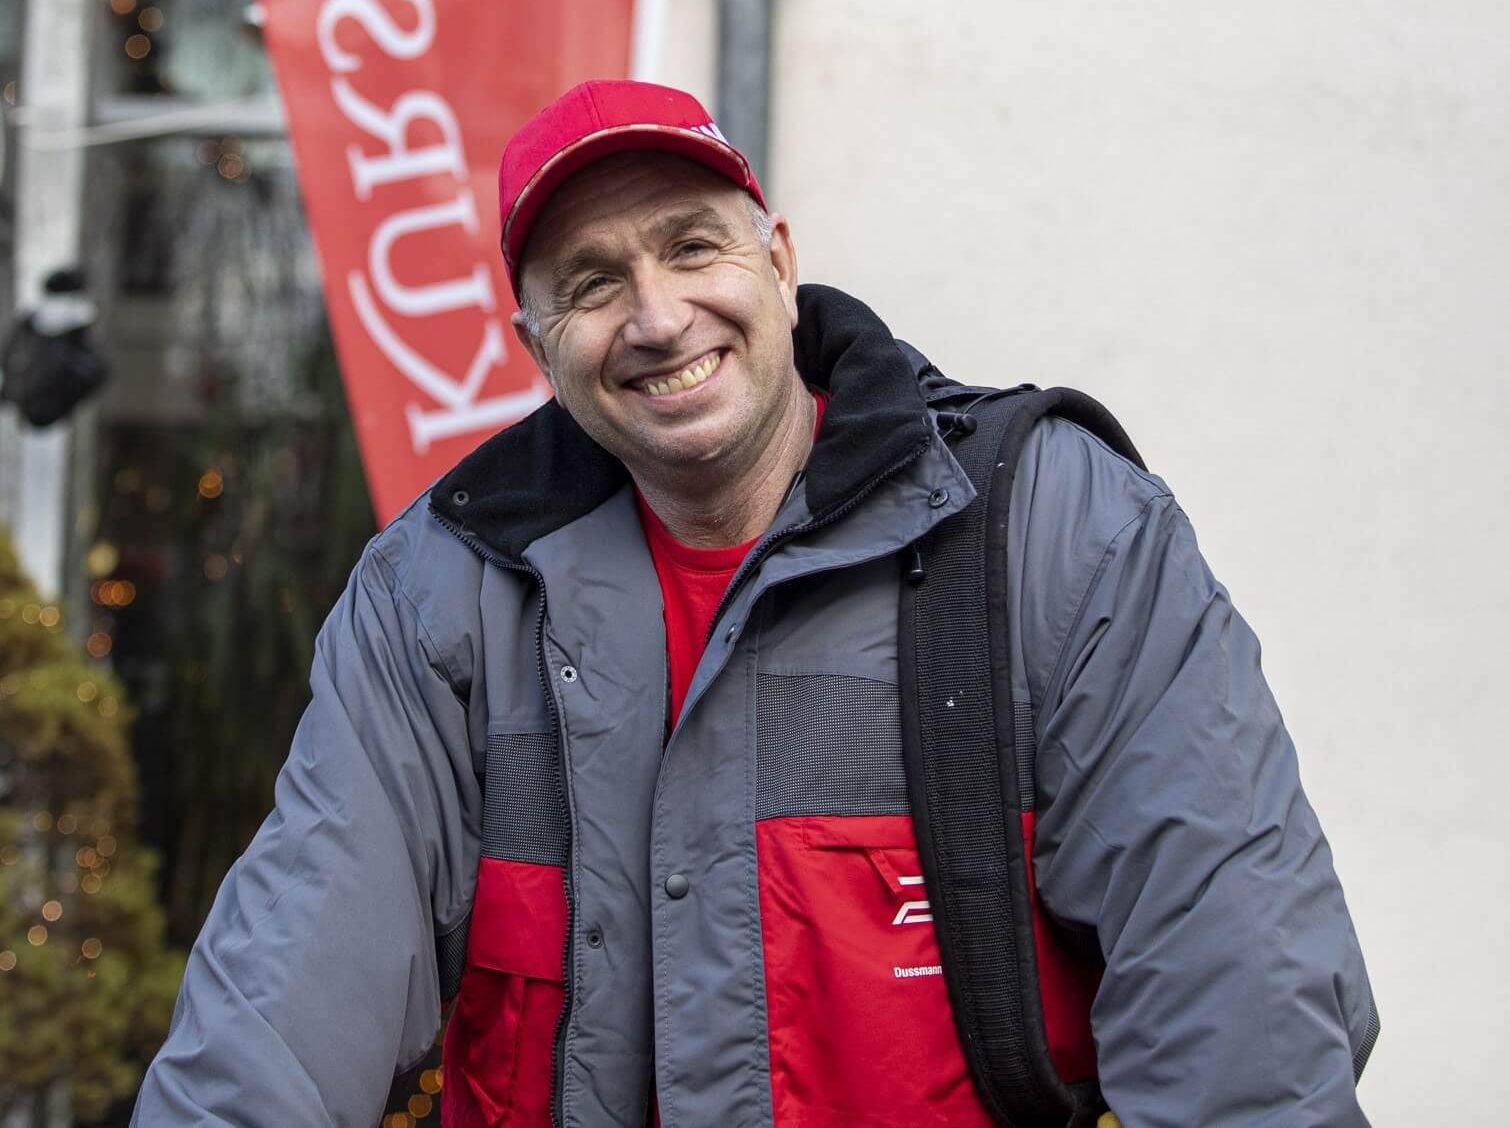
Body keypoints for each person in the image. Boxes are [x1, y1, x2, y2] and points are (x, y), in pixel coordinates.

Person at [133, 80, 1378, 1127]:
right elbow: (283, 1007)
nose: (658, 315)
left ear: (778, 264)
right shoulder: (440, 597)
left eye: (690, 244)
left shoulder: (1056, 535)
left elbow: (1244, 1022)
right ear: (536, 345)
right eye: (591, 281)